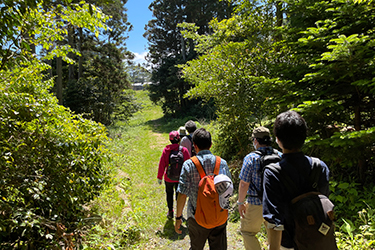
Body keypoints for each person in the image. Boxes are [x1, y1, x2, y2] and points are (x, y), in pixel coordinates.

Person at [262, 111, 331, 250]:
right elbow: (324, 202)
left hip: (289, 243)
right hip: (318, 240)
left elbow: (274, 220)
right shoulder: (319, 166)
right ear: (304, 137)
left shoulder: (272, 172)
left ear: (278, 139)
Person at [174, 128, 232, 250]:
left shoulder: (189, 165)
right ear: (211, 145)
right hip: (219, 217)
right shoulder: (222, 163)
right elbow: (228, 190)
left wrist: (178, 218)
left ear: (194, 146)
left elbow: (182, 194)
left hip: (196, 219)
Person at [237, 126, 282, 250]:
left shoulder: (251, 158)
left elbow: (244, 183)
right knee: (275, 233)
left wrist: (240, 202)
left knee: (248, 232)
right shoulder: (280, 155)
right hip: (276, 203)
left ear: (256, 141)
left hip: (255, 202)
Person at [157, 131, 190, 219]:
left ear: (170, 140)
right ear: (179, 139)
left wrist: (159, 177)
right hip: (180, 178)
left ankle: (170, 211)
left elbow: (162, 164)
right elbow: (188, 164)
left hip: (168, 178)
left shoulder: (166, 150)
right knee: (179, 195)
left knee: (169, 194)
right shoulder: (184, 150)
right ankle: (179, 213)